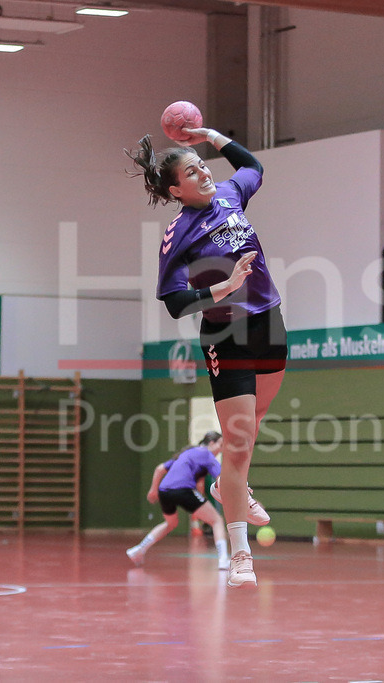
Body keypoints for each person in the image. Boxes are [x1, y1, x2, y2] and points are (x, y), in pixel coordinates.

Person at [127, 123, 285, 590]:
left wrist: (211, 136)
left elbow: (253, 167)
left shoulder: (231, 197)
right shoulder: (179, 234)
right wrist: (225, 287)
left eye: (202, 167)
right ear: (176, 189)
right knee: (237, 446)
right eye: (192, 174)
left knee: (253, 426)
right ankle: (240, 554)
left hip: (270, 321)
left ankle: (227, 487)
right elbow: (176, 301)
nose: (203, 174)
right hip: (226, 332)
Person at [127, 431, 229, 569]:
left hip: (164, 491)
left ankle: (139, 549)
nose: (221, 449)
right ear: (211, 443)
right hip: (183, 490)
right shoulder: (207, 454)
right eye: (221, 445)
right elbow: (221, 478)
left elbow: (159, 469)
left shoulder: (187, 453)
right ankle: (223, 560)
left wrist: (153, 490)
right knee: (217, 520)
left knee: (171, 523)